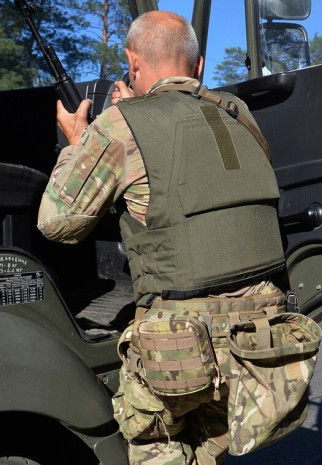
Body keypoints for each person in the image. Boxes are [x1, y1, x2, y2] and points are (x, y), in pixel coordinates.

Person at [37, 11, 292, 465]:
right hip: (261, 336)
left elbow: (58, 223)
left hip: (179, 345)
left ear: (133, 64)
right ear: (197, 66)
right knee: (213, 448)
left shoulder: (119, 126)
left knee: (160, 448)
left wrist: (81, 141)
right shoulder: (238, 113)